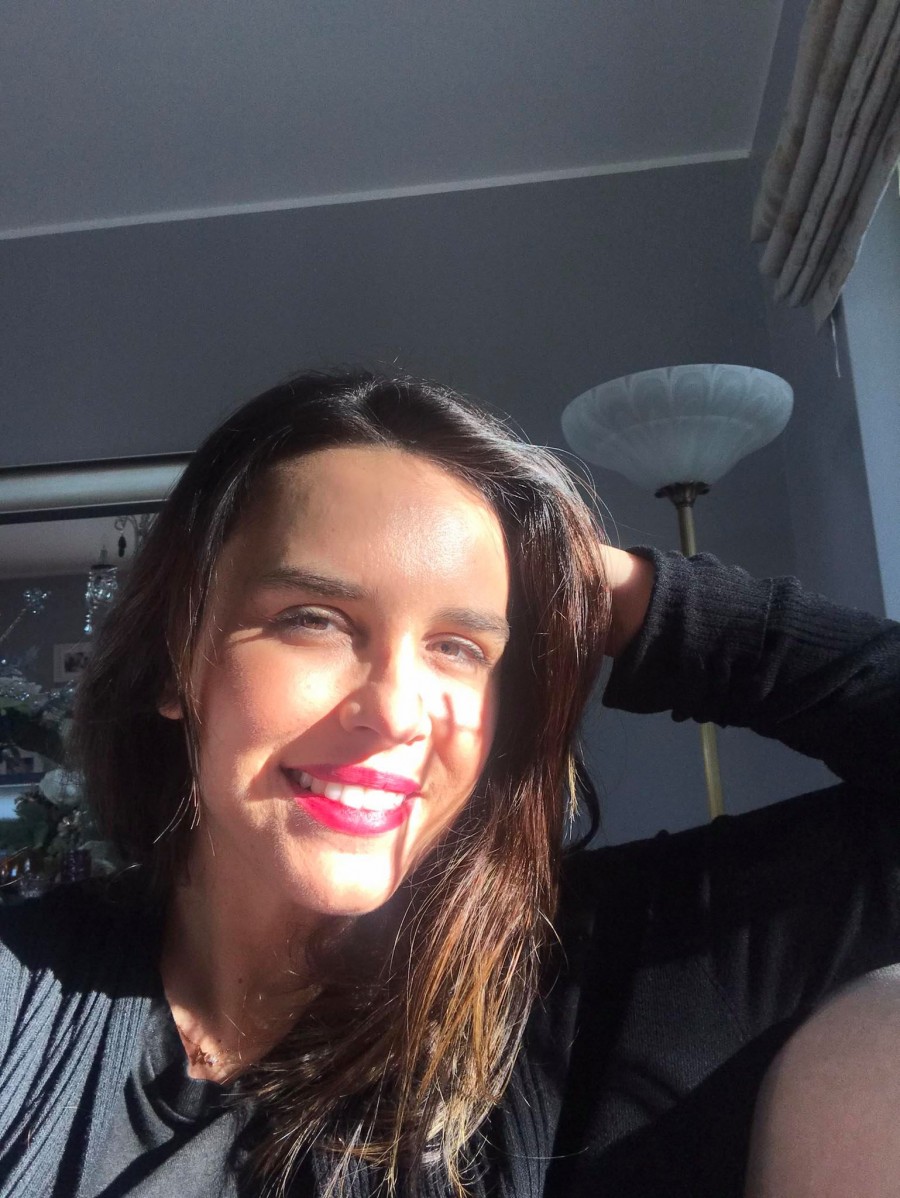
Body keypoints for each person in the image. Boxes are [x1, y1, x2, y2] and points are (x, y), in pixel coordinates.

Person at [0, 369, 897, 1198]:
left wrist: (628, 594)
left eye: (459, 647)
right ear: (175, 662)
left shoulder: (595, 989)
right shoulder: (25, 994)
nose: (397, 712)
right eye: (314, 619)